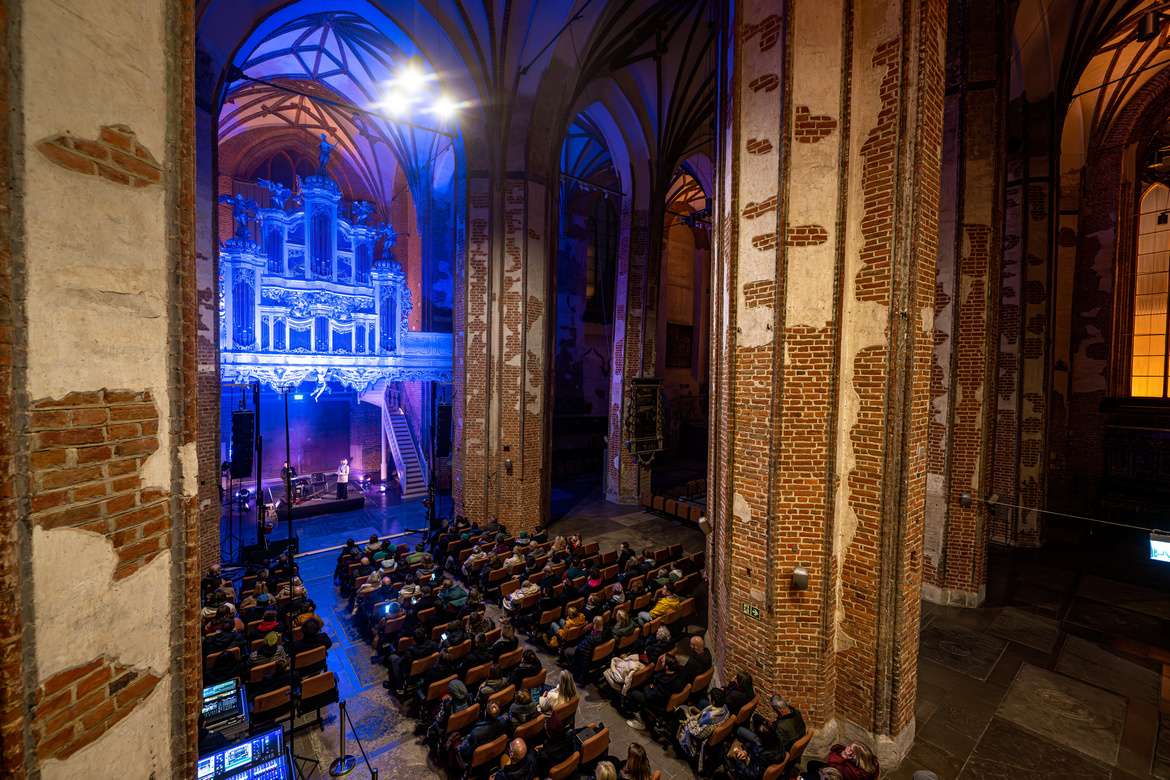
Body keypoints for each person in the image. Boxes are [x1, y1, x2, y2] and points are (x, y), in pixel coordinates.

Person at [740, 694, 806, 758]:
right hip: (796, 744)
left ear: (779, 709)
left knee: (745, 730)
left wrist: (769, 728)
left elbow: (772, 742)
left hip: (782, 751)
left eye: (775, 709)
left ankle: (745, 750)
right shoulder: (797, 713)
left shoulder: (779, 727)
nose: (775, 711)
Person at [677, 687, 730, 759]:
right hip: (709, 726)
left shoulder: (709, 717)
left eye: (710, 697)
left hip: (699, 734)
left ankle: (678, 747)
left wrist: (688, 716)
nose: (709, 698)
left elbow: (697, 728)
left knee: (680, 712)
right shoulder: (725, 709)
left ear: (713, 702)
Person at [802, 742, 878, 780]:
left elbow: (831, 762)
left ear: (855, 756)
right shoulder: (872, 763)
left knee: (810, 767)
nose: (846, 748)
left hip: (835, 776)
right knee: (812, 763)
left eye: (850, 750)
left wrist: (843, 755)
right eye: (849, 746)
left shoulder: (847, 770)